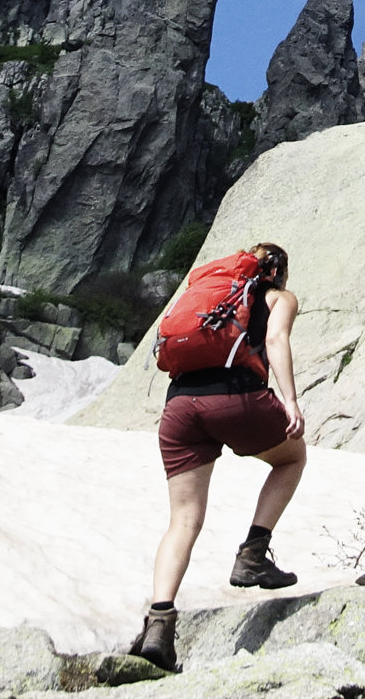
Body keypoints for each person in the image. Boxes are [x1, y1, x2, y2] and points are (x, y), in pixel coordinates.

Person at [129, 242, 306, 673]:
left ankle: (159, 625)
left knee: (183, 520)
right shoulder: (278, 297)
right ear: (279, 273)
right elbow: (276, 338)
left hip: (180, 407)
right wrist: (291, 401)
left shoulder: (210, 293)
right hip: (234, 397)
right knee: (291, 459)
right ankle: (252, 556)